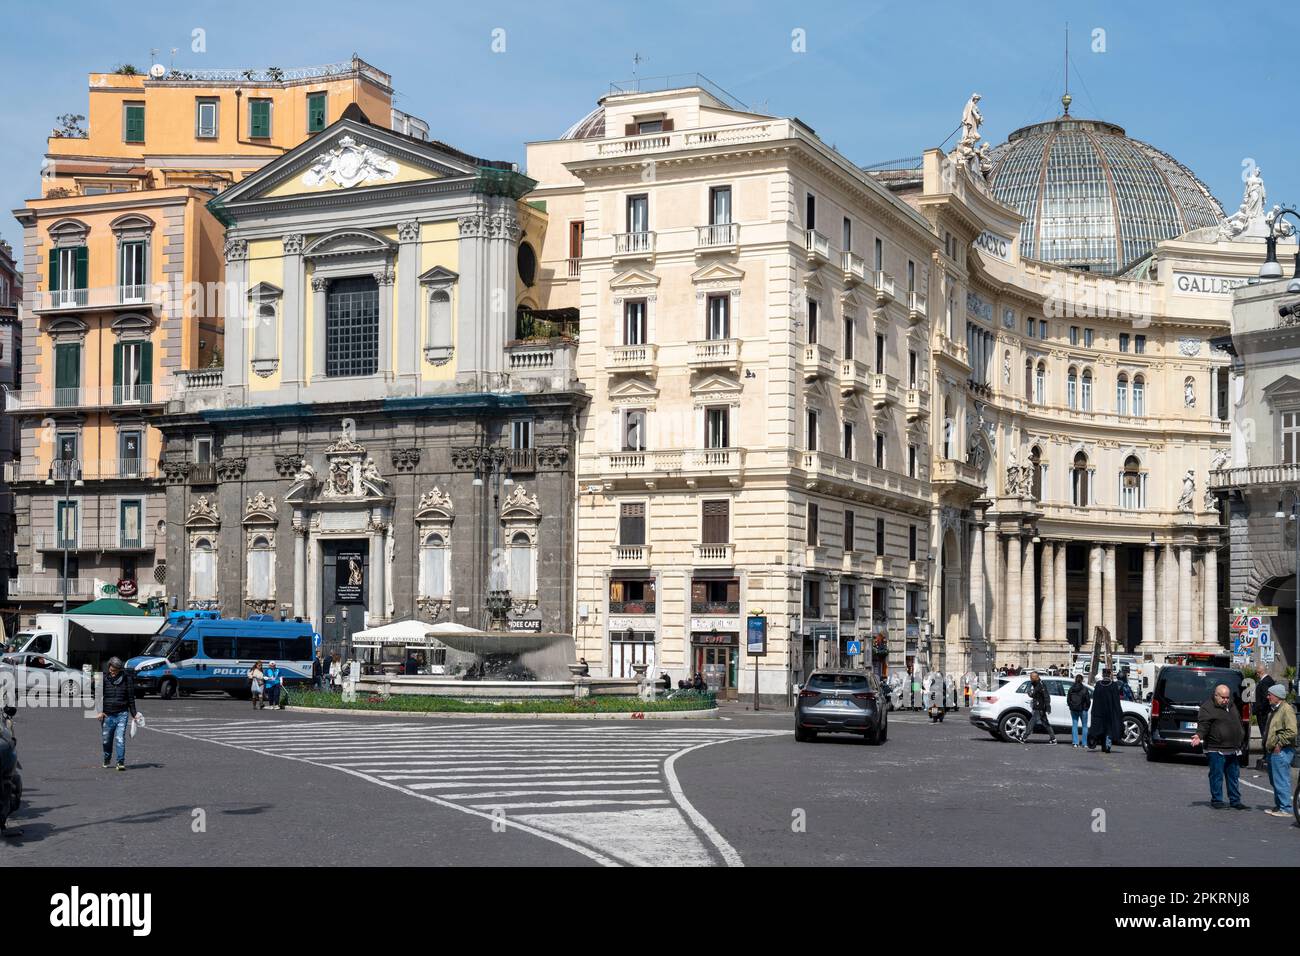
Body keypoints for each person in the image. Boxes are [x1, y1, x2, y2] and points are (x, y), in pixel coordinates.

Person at [1190, 683, 1248, 810]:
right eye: (1223, 697)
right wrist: (1199, 735)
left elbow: (1238, 721)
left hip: (1233, 748)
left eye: (1227, 697)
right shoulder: (1207, 708)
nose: (1226, 700)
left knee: (1233, 776)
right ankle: (1217, 800)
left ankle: (1235, 800)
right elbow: (1203, 725)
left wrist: (1241, 735)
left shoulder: (1231, 705)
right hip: (1215, 748)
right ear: (1216, 695)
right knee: (1216, 775)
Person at [97, 657, 140, 771]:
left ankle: (120, 762)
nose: (113, 671)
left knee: (120, 738)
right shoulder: (104, 678)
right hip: (107, 714)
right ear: (109, 666)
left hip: (122, 713)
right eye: (112, 669)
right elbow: (98, 696)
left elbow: (131, 698)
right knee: (106, 740)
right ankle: (107, 757)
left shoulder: (127, 679)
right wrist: (99, 712)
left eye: (116, 670)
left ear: (119, 669)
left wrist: (134, 714)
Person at [1262, 683, 1296, 818]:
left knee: (1281, 779)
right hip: (1274, 750)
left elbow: (1292, 731)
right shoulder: (1276, 709)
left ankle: (1285, 808)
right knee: (1275, 780)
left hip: (1281, 751)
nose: (1268, 697)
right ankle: (1279, 805)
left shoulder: (1286, 709)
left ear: (1277, 696)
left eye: (1270, 694)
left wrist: (1279, 743)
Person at [1087, 669, 1123, 753]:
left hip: (1099, 711)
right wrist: (1117, 711)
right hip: (1110, 711)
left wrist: (1094, 710)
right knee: (1109, 730)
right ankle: (1107, 746)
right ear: (1109, 675)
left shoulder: (1098, 685)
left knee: (1101, 729)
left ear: (1103, 675)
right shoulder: (1113, 685)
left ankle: (1104, 745)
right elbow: (1116, 700)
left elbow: (1095, 699)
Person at [1023, 672, 1056, 744]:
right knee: (1046, 724)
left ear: (1036, 677)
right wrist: (1030, 693)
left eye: (1031, 677)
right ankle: (1053, 739)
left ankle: (1024, 737)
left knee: (1032, 722)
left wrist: (1048, 707)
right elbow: (1035, 695)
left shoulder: (1040, 685)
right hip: (1039, 707)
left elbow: (1046, 696)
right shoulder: (1036, 684)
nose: (1030, 679)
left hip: (1040, 707)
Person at [1066, 674, 1091, 749]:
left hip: (1074, 709)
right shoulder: (1084, 689)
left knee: (1074, 725)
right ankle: (1084, 743)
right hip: (1083, 709)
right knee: (1084, 726)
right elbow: (1088, 700)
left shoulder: (1071, 688)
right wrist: (1086, 708)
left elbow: (1068, 699)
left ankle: (1075, 743)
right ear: (1082, 680)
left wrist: (1071, 706)